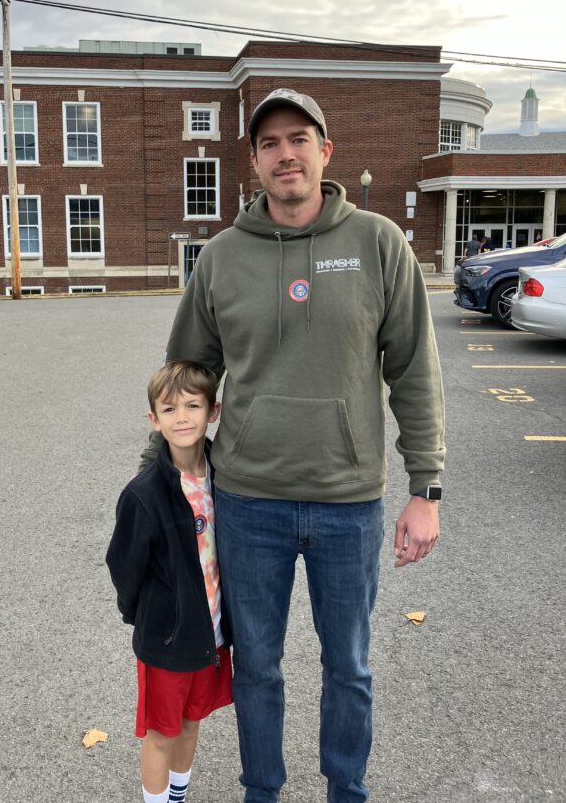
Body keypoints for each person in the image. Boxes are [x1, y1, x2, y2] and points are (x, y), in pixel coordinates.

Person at [140, 87, 446, 802]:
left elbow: (414, 371)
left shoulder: (377, 243)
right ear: (253, 161)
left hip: (349, 503)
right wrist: (162, 484)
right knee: (257, 667)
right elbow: (186, 379)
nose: (286, 153)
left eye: (299, 138)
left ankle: (347, 788)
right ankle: (263, 790)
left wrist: (425, 489)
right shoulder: (219, 259)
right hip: (249, 501)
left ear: (325, 151)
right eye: (270, 143)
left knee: (350, 667)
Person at [107, 361, 233, 803]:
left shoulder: (227, 478)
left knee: (193, 721)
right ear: (153, 420)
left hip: (211, 633)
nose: (182, 418)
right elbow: (125, 566)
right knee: (163, 731)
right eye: (169, 409)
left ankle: (177, 795)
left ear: (212, 411)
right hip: (167, 638)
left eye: (193, 406)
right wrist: (145, 617)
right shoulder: (144, 493)